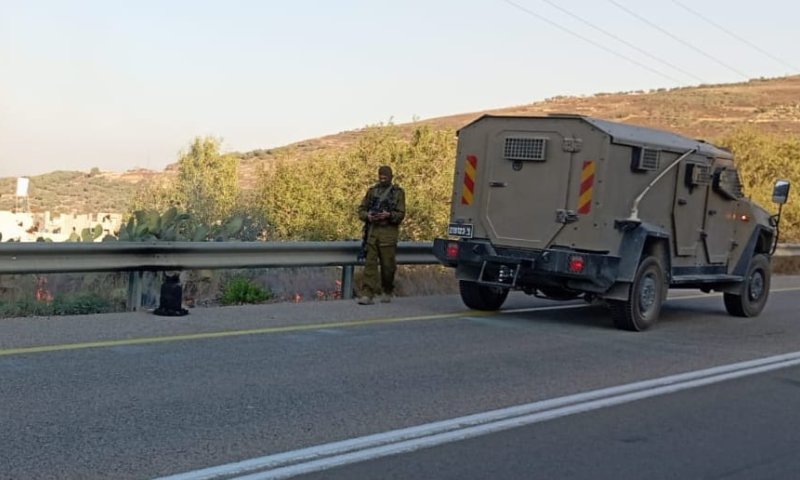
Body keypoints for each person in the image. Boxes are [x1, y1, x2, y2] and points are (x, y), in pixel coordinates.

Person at [356, 165, 406, 305]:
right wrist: (369, 216)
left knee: (388, 267)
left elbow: (400, 214)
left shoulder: (398, 193)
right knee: (370, 265)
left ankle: (387, 290)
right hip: (373, 233)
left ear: (391, 177)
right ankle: (367, 294)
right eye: (380, 176)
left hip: (388, 235)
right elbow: (361, 210)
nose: (382, 179)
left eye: (385, 177)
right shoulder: (372, 191)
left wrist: (388, 215)